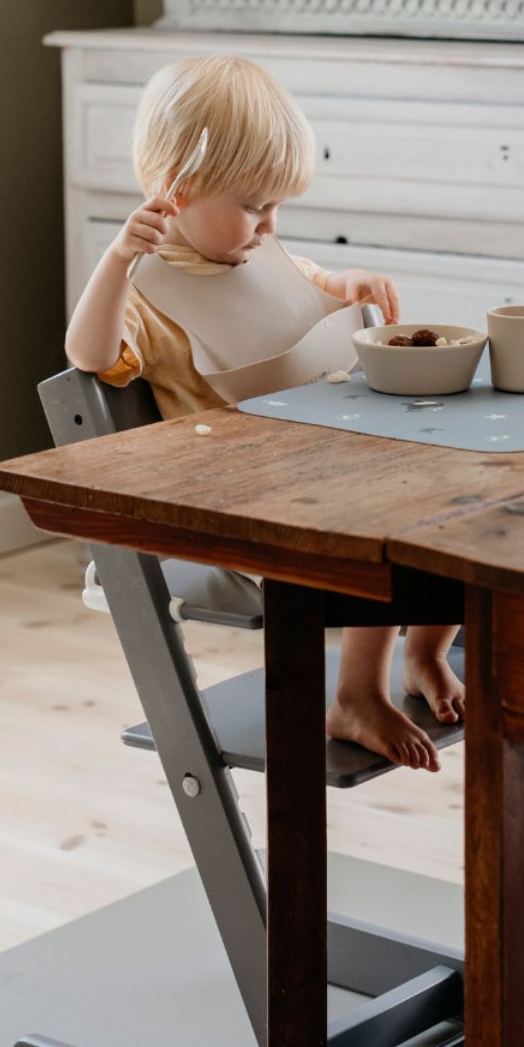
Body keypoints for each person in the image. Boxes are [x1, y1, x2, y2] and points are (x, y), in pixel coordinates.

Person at [65, 54, 463, 771]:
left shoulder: (259, 254)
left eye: (277, 206)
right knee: (388, 518)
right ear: (177, 194)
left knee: (463, 488)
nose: (270, 223)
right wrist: (118, 259)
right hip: (242, 506)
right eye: (254, 205)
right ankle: (356, 697)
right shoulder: (150, 298)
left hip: (315, 470)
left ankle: (423, 653)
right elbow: (90, 354)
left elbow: (314, 286)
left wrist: (349, 283)